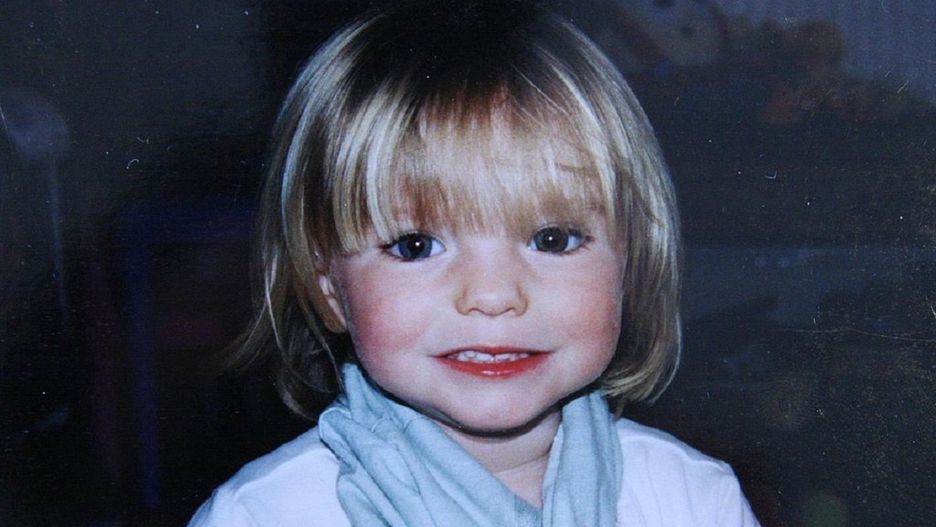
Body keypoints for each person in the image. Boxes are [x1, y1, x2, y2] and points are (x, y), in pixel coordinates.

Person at [189, 1, 760, 525]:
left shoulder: (695, 502)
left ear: (628, 267)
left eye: (552, 239)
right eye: (415, 246)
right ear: (330, 290)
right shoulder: (261, 515)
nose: (492, 295)